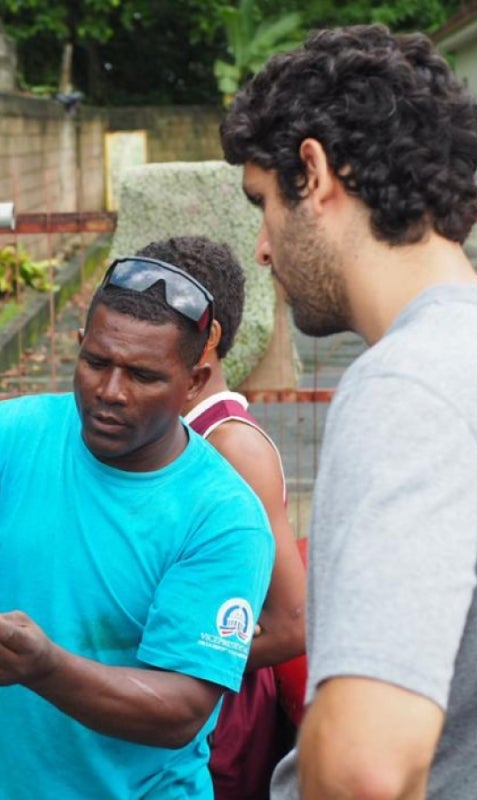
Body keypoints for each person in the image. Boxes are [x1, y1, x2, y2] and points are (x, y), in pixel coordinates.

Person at [219, 24, 477, 799]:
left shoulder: (407, 388)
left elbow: (364, 769)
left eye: (264, 204)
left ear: (314, 174)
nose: (262, 247)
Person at [0, 255, 276, 798]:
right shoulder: (12, 433)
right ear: (79, 343)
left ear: (194, 381)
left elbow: (180, 711)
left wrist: (44, 668)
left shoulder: (223, 516)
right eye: (96, 361)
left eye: (143, 375)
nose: (110, 390)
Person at [136, 235, 306, 800]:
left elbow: (291, 623)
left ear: (205, 341)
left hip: (217, 727)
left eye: (151, 319)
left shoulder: (233, 447)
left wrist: (178, 663)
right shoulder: (166, 431)